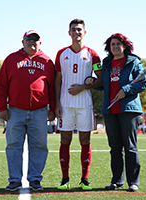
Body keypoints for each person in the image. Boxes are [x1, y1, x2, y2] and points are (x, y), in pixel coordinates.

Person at [0, 29, 55, 191]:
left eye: (35, 39)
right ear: (23, 42)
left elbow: (52, 89)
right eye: (28, 39)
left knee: (39, 146)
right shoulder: (11, 59)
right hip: (15, 111)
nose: (32, 42)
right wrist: (2, 107)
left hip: (40, 111)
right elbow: (1, 85)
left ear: (40, 42)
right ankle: (14, 179)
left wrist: (53, 109)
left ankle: (35, 179)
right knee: (14, 145)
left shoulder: (47, 61)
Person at [88, 33, 146, 191]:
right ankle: (117, 181)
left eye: (118, 44)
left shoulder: (134, 62)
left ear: (125, 46)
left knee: (130, 147)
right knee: (115, 148)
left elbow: (142, 83)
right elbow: (104, 84)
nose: (115, 47)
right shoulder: (106, 62)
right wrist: (92, 81)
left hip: (128, 110)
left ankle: (133, 182)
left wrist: (125, 90)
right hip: (110, 110)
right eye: (112, 44)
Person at [55, 19, 102, 190]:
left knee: (85, 140)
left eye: (79, 29)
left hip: (85, 104)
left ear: (85, 32)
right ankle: (65, 179)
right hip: (65, 104)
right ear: (69, 33)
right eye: (73, 29)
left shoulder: (93, 54)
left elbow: (101, 78)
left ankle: (85, 179)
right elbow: (58, 79)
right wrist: (56, 104)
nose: (77, 32)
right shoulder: (61, 53)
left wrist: (84, 86)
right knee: (65, 139)